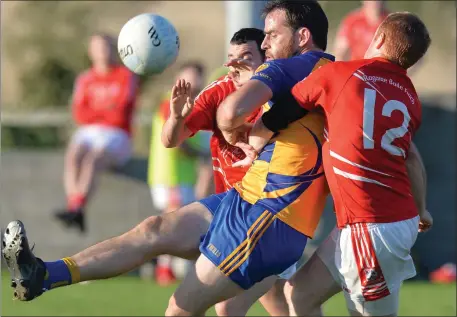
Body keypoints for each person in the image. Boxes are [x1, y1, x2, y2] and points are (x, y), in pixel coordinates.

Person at [1, 27, 288, 317]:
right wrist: (177, 117)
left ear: (267, 59)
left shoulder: (284, 93)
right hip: (229, 207)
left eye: (245, 57)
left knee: (255, 306)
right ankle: (44, 274)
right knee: (153, 230)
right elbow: (170, 140)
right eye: (230, 57)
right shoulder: (221, 89)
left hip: (269, 215)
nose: (234, 64)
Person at [235, 12, 433, 316]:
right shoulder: (409, 97)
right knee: (299, 294)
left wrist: (256, 135)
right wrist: (421, 210)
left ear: (378, 39)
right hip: (387, 219)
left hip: (370, 226)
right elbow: (412, 159)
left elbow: (286, 108)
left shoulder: (342, 74)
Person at [54, 33, 139, 233]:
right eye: (98, 48)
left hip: (116, 134)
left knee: (93, 159)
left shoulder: (125, 76)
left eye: (107, 47)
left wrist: (98, 113)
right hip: (89, 131)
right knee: (74, 154)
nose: (103, 52)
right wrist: (105, 111)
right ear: (91, 52)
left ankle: (78, 207)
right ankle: (74, 205)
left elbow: (120, 113)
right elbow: (79, 113)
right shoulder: (85, 78)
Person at [147, 62, 209, 285]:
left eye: (197, 77)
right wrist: (202, 155)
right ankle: (163, 268)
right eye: (188, 77)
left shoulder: (197, 104)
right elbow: (176, 139)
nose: (193, 82)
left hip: (184, 176)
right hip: (170, 175)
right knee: (171, 221)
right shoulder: (170, 103)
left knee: (180, 222)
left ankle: (170, 268)